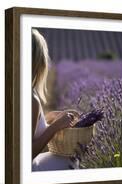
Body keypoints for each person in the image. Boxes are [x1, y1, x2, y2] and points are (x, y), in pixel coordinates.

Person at [32, 29, 80, 171]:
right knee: (75, 161)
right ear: (38, 61)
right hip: (29, 169)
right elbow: (24, 155)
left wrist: (50, 116)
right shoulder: (31, 99)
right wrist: (55, 126)